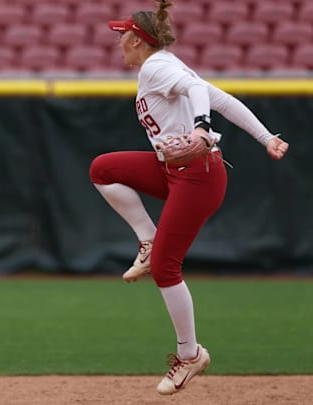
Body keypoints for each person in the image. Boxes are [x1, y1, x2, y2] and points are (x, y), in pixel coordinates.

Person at [89, 0, 289, 396]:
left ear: (137, 39)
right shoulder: (166, 64)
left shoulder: (156, 66)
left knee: (166, 267)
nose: (119, 44)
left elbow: (201, 93)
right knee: (103, 169)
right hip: (174, 170)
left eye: (122, 37)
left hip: (198, 177)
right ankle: (146, 239)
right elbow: (224, 99)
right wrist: (266, 137)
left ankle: (190, 354)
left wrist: (201, 127)